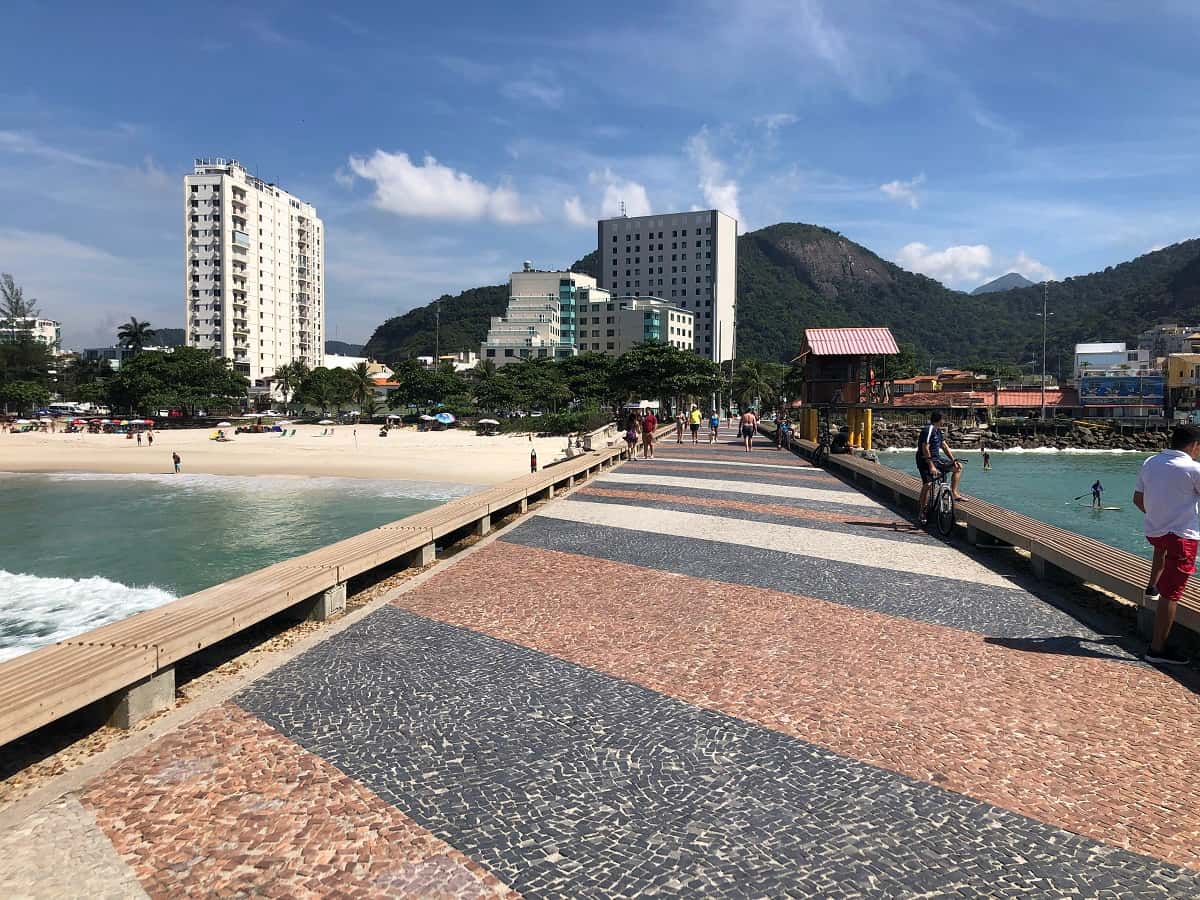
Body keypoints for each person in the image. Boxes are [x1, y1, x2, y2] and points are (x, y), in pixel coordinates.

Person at [1133, 423, 1200, 666]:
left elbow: (1137, 499)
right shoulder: (1193, 469)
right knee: (1172, 594)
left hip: (1156, 532)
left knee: (1163, 551)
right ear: (1194, 445)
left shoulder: (1151, 462)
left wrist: (1158, 516)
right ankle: (1157, 649)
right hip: (1182, 538)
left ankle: (1153, 586)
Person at [916, 411, 963, 524]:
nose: (944, 422)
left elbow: (944, 446)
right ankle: (922, 511)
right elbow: (925, 447)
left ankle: (954, 492)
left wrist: (953, 460)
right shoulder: (929, 429)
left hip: (937, 459)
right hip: (924, 460)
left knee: (958, 467)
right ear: (939, 420)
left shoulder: (938, 431)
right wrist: (931, 466)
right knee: (928, 484)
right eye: (943, 419)